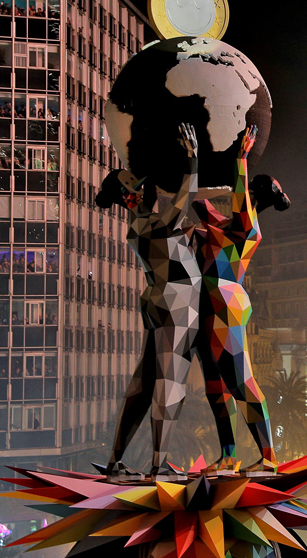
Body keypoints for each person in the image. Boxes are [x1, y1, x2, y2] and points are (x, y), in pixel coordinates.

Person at [99, 123, 201, 479]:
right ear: (132, 196)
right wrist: (193, 161)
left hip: (160, 302)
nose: (145, 188)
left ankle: (116, 462)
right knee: (169, 383)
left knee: (143, 384)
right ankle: (159, 465)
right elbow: (183, 199)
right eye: (139, 186)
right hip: (178, 303)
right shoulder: (152, 225)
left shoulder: (139, 228)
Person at [191, 126, 290, 475]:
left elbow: (236, 200)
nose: (241, 194)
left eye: (246, 190)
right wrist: (194, 161)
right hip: (206, 305)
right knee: (216, 387)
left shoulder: (248, 229)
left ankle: (268, 457)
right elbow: (196, 202)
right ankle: (229, 455)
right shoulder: (225, 226)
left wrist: (240, 159)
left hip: (225, 304)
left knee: (240, 382)